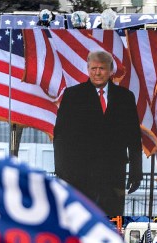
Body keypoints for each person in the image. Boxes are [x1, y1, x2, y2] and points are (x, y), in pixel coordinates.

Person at [54, 50, 142, 216]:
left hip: (114, 176)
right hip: (79, 177)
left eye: (101, 68)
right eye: (93, 68)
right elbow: (60, 137)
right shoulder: (72, 95)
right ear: (88, 69)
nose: (97, 73)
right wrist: (62, 173)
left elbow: (134, 137)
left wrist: (136, 171)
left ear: (110, 71)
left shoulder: (126, 97)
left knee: (111, 223)